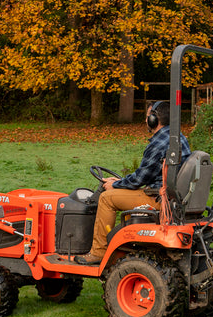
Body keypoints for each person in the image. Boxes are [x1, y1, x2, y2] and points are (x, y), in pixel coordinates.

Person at [76, 100, 191, 265]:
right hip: (174, 197)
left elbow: (138, 180)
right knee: (114, 192)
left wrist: (114, 185)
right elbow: (148, 174)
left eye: (147, 117)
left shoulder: (159, 144)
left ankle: (98, 252)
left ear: (154, 119)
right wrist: (121, 181)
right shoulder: (178, 137)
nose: (145, 121)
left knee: (106, 198)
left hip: (159, 199)